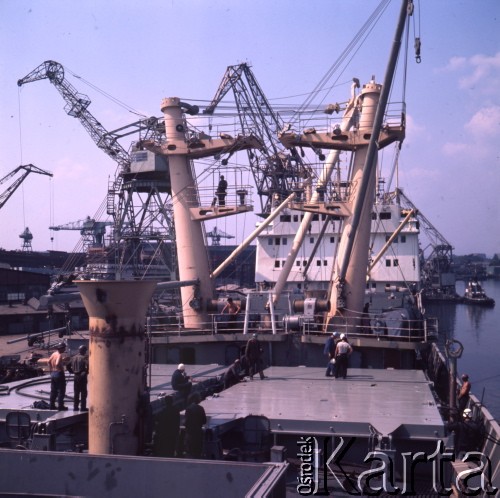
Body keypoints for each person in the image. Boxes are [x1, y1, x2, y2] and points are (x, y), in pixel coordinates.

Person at [184, 393, 207, 458]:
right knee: (198, 451)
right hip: (198, 433)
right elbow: (204, 421)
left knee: (190, 452)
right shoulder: (201, 408)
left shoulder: (188, 409)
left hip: (190, 433)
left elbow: (186, 422)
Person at [66, 344, 89, 411]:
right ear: (83, 351)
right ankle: (83, 407)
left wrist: (71, 371)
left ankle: (75, 407)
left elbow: (67, 365)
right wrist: (86, 371)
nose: (85, 352)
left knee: (76, 393)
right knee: (83, 392)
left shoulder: (73, 357)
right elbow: (88, 365)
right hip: (82, 376)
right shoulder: (84, 357)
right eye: (85, 350)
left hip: (76, 376)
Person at [48, 342, 68, 410]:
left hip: (53, 373)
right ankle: (60, 406)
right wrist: (61, 368)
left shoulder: (54, 354)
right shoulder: (59, 355)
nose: (64, 349)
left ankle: (52, 405)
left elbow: (48, 361)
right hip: (59, 373)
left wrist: (51, 370)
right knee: (61, 390)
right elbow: (57, 363)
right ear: (61, 348)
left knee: (53, 390)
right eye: (64, 348)